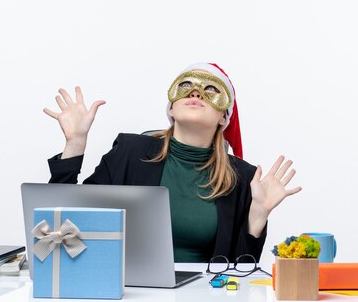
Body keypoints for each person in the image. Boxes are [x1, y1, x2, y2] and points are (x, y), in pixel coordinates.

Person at [43, 62, 301, 262]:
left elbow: (240, 274)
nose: (197, 92)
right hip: (127, 293)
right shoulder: (130, 153)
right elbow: (60, 228)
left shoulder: (243, 177)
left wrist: (257, 215)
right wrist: (75, 143)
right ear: (171, 108)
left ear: (224, 117)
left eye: (211, 90)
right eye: (186, 85)